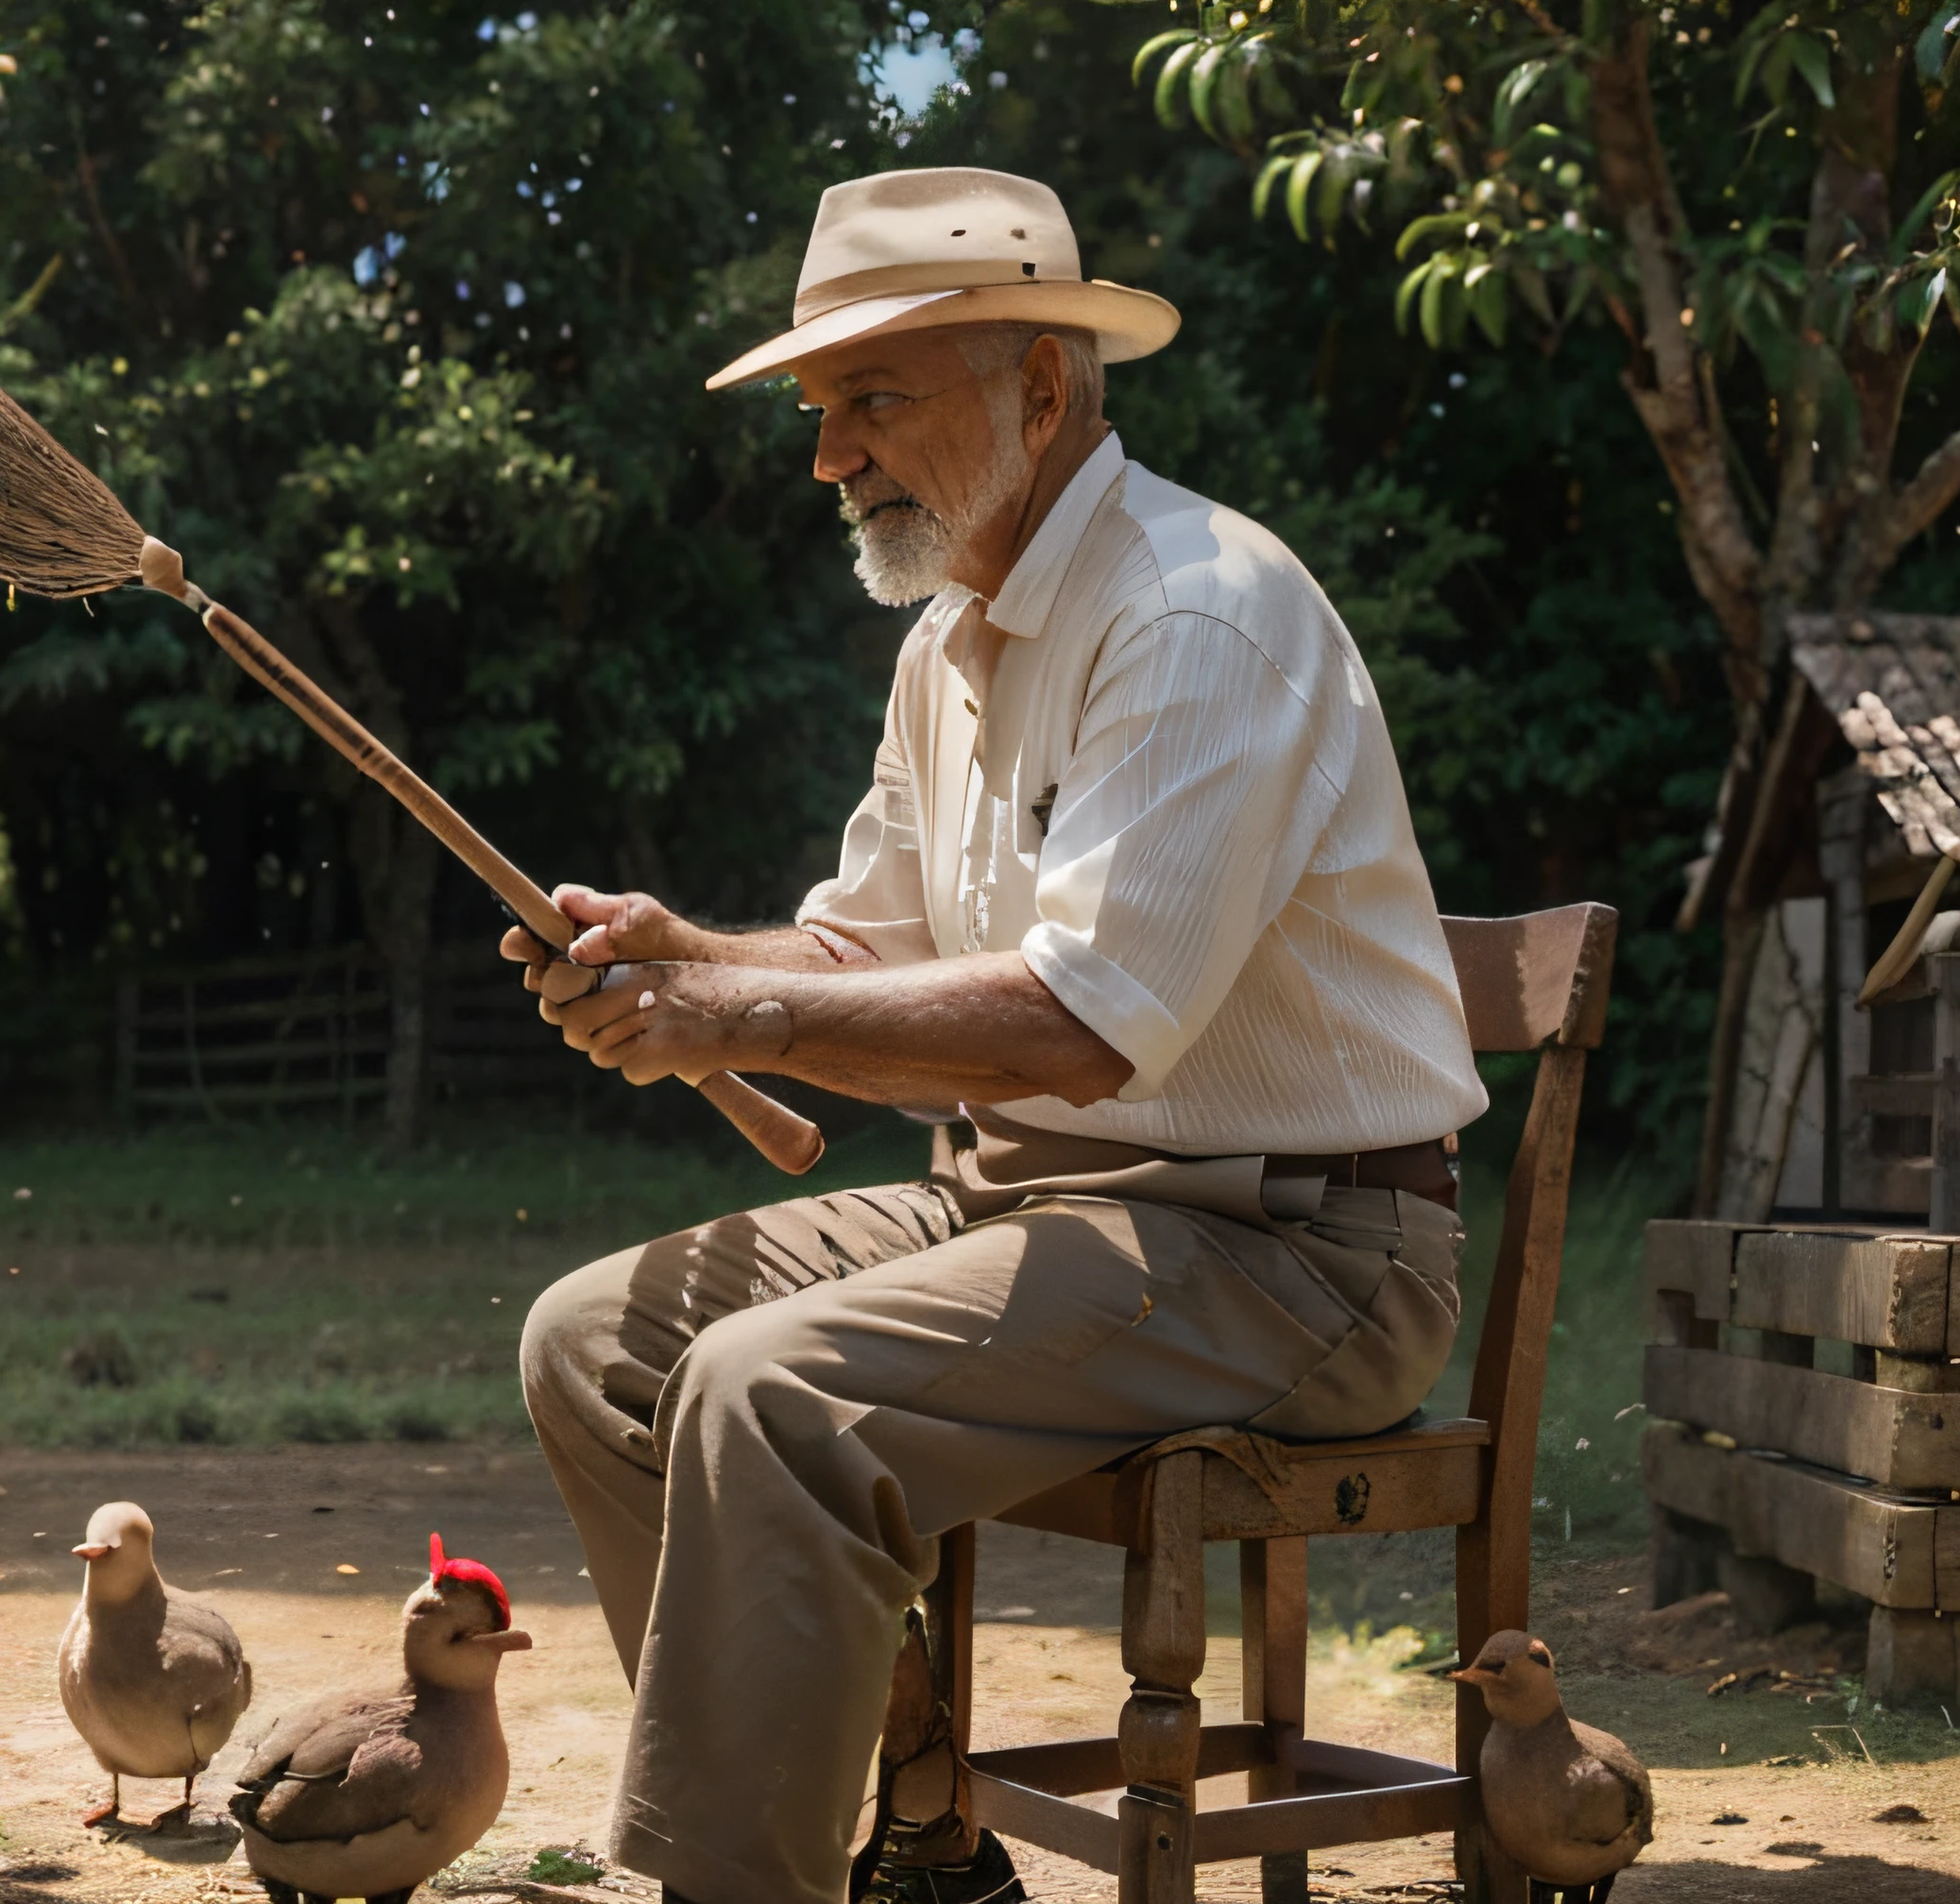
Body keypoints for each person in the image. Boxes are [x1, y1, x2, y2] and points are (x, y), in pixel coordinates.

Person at [508, 168, 1490, 1904]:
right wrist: (678, 966)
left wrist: (737, 1006)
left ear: (1039, 392)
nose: (828, 458)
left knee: (768, 1391)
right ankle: (921, 1830)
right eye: (821, 411)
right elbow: (852, 948)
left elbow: (1079, 1026)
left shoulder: (1196, 610)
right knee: (597, 1346)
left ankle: (739, 1888)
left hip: (1299, 1253)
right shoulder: (946, 641)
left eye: (873, 400)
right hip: (1041, 1211)